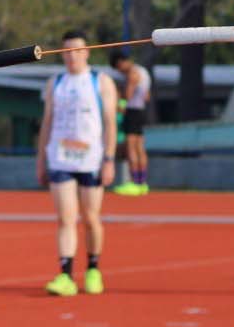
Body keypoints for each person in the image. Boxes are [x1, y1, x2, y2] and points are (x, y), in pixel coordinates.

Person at [36, 30, 118, 296]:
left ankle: (93, 268)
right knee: (65, 218)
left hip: (91, 159)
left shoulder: (100, 81)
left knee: (91, 217)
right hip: (60, 158)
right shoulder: (55, 83)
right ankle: (66, 275)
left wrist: (109, 159)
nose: (72, 56)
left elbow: (110, 123)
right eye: (66, 51)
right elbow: (47, 122)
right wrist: (41, 159)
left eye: (77, 50)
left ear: (86, 52)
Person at [108, 50, 152, 195]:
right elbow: (147, 96)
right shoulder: (144, 71)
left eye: (118, 68)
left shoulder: (133, 73)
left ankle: (135, 182)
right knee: (140, 148)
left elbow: (127, 95)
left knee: (131, 148)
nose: (120, 71)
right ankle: (142, 182)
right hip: (141, 111)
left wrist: (119, 104)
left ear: (121, 62)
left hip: (132, 112)